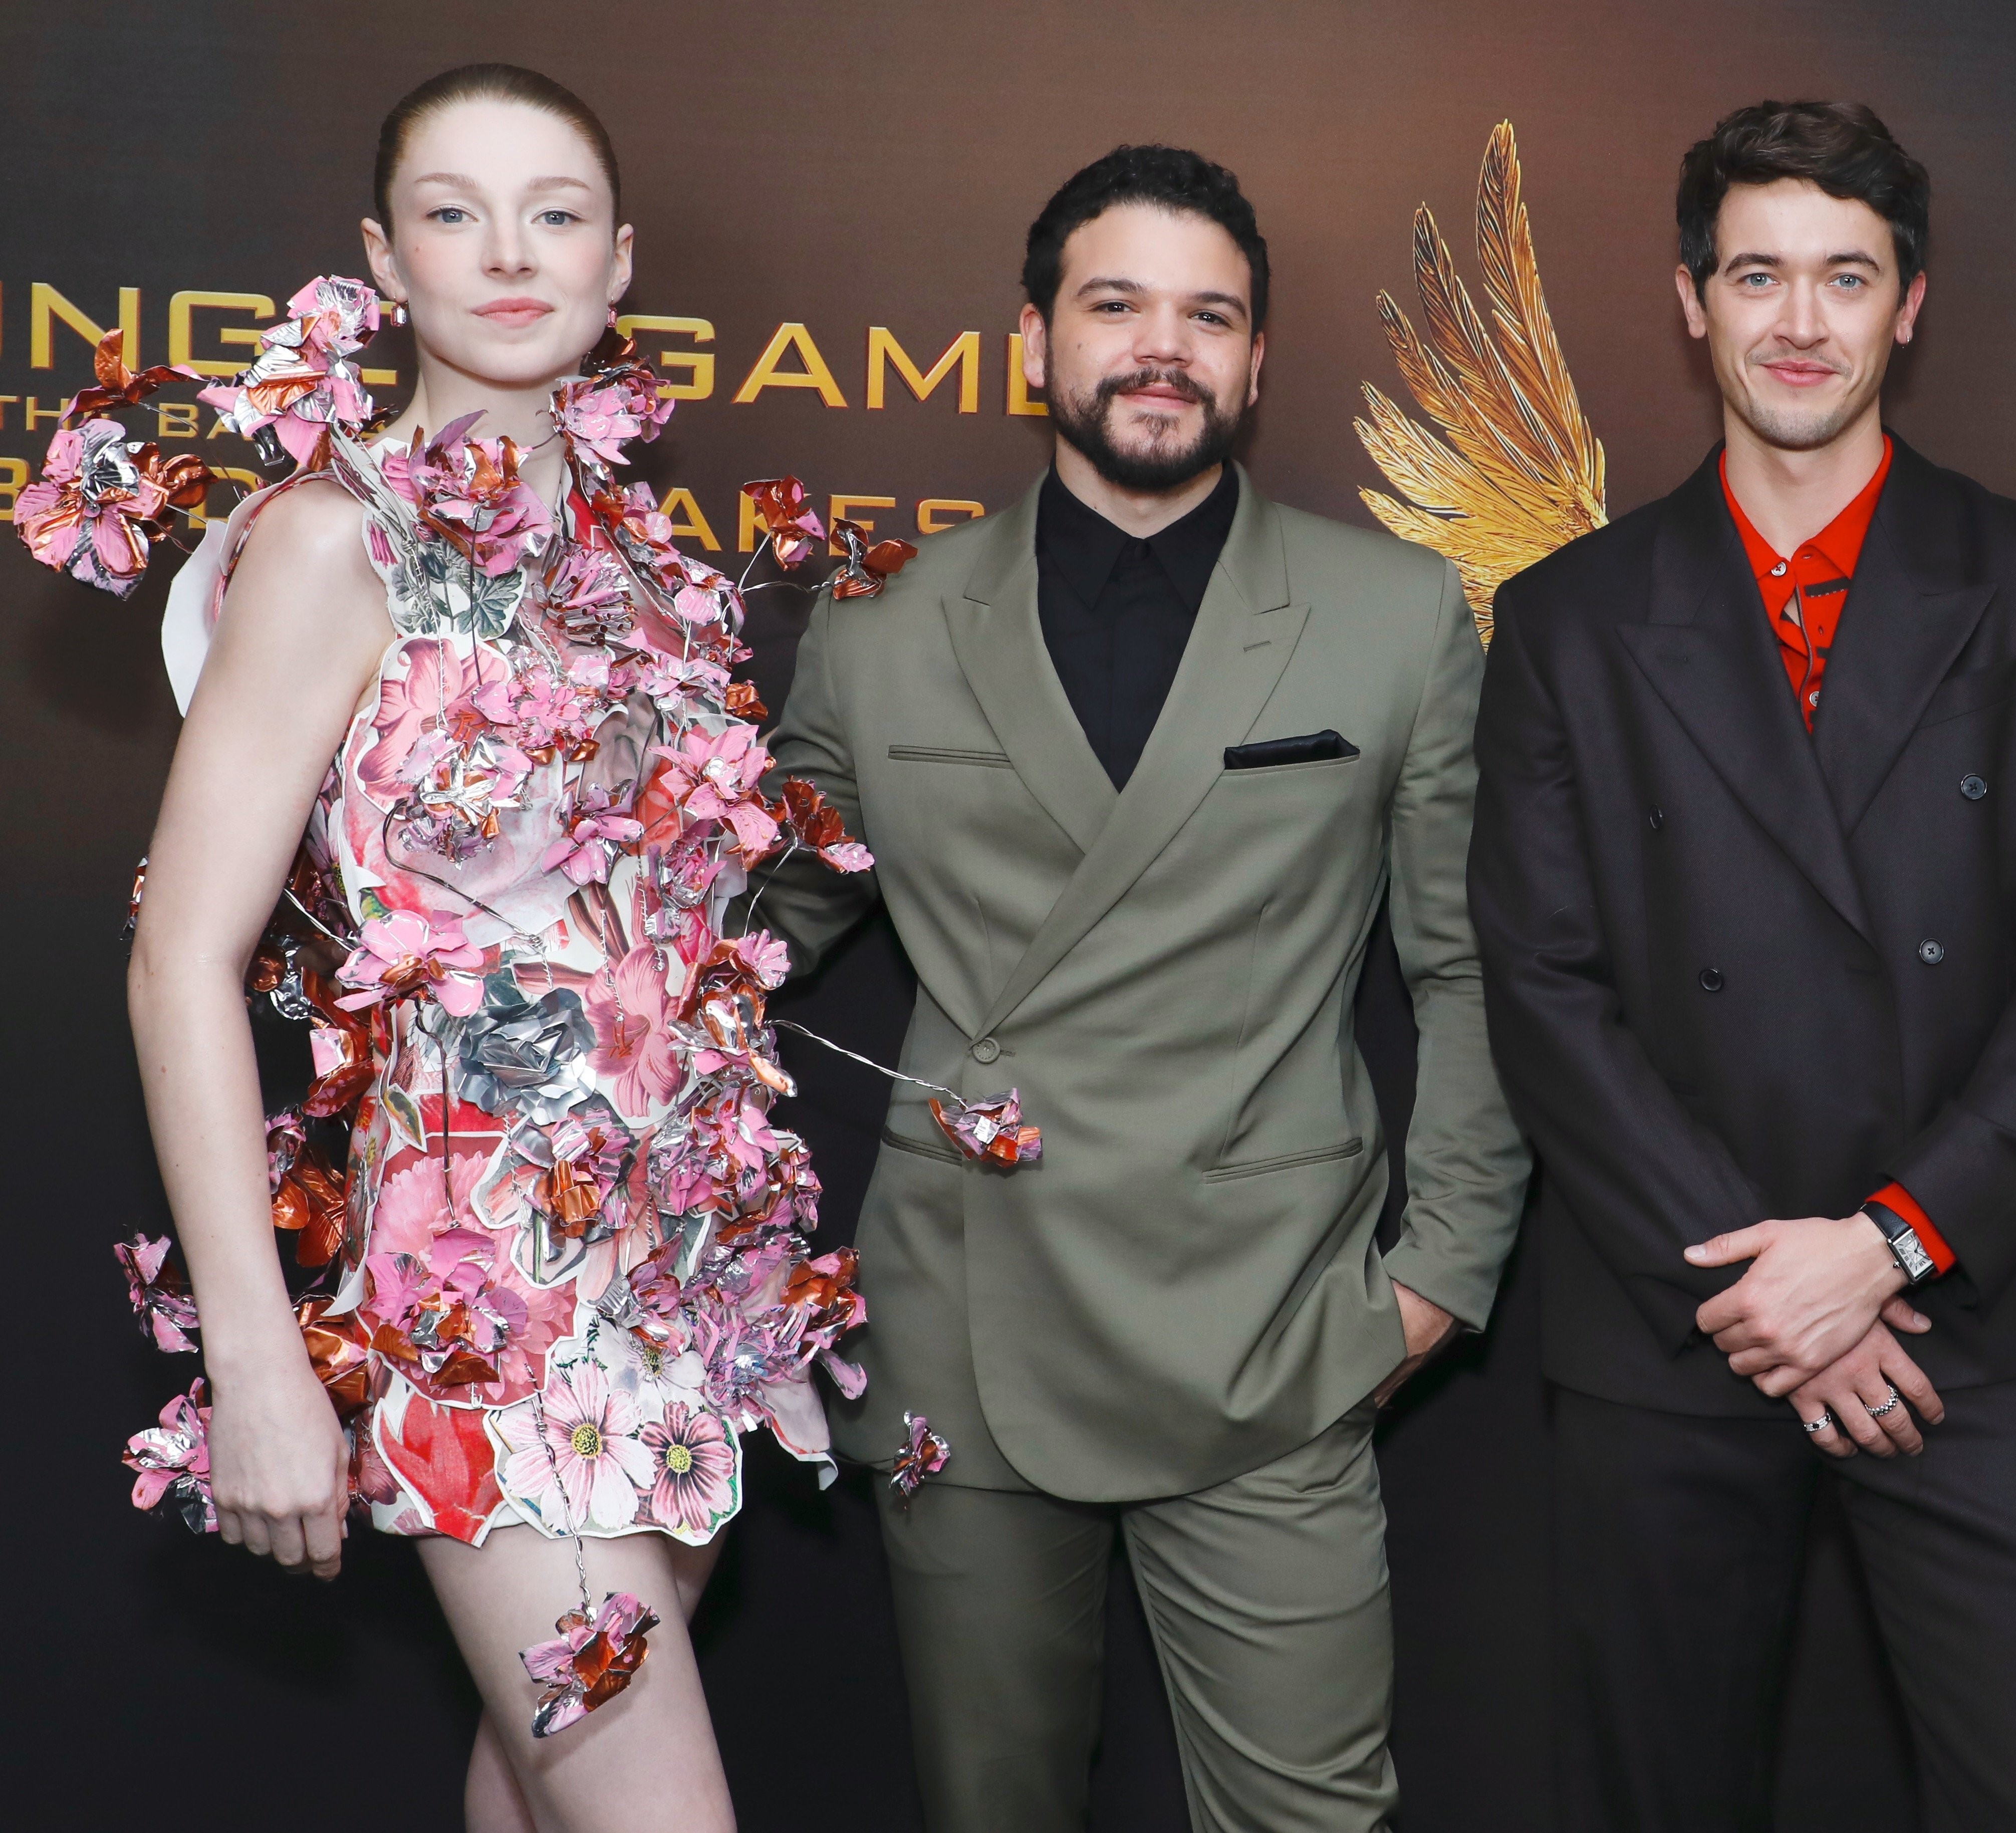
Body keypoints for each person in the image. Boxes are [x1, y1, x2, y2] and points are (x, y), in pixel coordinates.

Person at [82, 64, 857, 1833]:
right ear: (384, 259)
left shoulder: (646, 571)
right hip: (479, 1308)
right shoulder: (335, 542)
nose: (509, 254)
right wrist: (258, 1362)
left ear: (617, 261)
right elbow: (178, 956)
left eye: (553, 214)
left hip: (674, 1284)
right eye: (455, 213)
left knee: (536, 1793)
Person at [749, 144, 1528, 1833]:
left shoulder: (1394, 615)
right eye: (1116, 306)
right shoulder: (879, 628)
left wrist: (1441, 1275)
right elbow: (752, 941)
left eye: (1208, 315)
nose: (1161, 348)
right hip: (970, 1322)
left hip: (1271, 1321)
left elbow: (1467, 962)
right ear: (1035, 340)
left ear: (1257, 360)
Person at [1469, 100, 2016, 1829]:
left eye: (1845, 277)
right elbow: (1544, 986)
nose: (1800, 320)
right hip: (1678, 1317)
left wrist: (1881, 1246)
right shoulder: (1566, 616)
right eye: (1758, 274)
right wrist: (1768, 1291)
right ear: (1689, 301)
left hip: (1965, 1320)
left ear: (1908, 305)